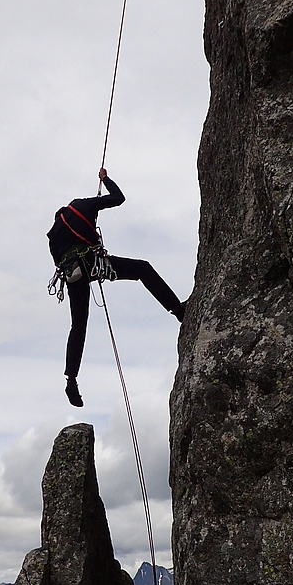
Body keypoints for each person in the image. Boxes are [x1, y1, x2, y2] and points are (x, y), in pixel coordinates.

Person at [48, 168, 186, 407]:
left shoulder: (55, 230)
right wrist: (106, 180)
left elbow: (56, 259)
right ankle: (178, 310)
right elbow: (118, 198)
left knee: (78, 324)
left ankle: (71, 379)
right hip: (91, 262)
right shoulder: (85, 205)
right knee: (142, 269)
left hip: (73, 274)